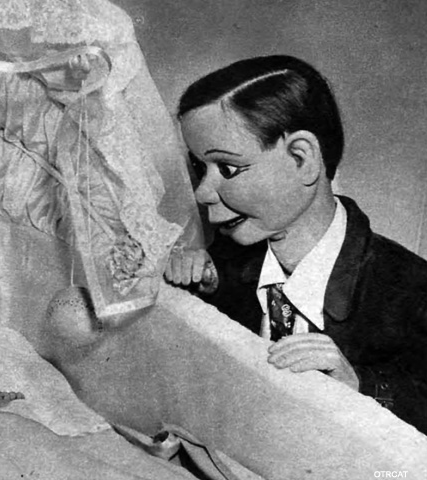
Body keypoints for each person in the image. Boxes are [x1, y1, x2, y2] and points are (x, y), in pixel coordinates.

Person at [166, 54, 427, 434]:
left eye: (227, 168)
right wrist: (194, 282)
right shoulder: (226, 262)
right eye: (198, 168)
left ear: (302, 158)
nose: (203, 193)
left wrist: (361, 386)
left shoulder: (412, 291)